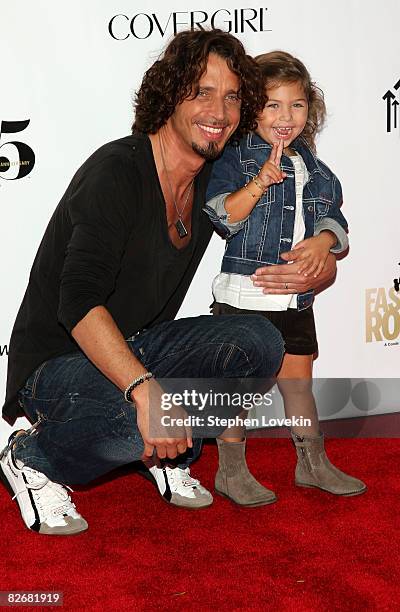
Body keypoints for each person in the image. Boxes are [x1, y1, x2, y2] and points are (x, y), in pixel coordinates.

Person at [0, 29, 289, 536]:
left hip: (140, 348)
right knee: (133, 417)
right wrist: (148, 392)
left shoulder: (209, 180)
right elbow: (78, 304)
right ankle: (31, 455)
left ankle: (164, 444)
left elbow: (271, 234)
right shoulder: (118, 171)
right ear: (170, 94)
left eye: (231, 97)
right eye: (201, 91)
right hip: (55, 368)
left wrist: (325, 254)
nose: (218, 111)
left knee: (260, 343)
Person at [204, 50, 366, 501]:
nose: (285, 116)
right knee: (234, 391)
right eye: (273, 105)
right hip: (244, 295)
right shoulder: (234, 156)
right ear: (253, 106)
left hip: (294, 300)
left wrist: (324, 242)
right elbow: (222, 217)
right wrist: (258, 183)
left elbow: (333, 217)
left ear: (309, 111)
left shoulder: (312, 165)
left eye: (296, 105)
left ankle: (312, 464)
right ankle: (231, 470)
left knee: (299, 387)